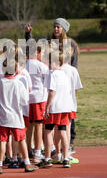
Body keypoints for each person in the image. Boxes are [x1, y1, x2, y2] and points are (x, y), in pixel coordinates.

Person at [25, 17, 79, 154]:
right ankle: (50, 148)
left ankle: (68, 144)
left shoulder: (71, 45)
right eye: (54, 26)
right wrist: (28, 35)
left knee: (66, 114)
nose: (55, 29)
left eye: (58, 27)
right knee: (50, 115)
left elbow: (74, 66)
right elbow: (34, 50)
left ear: (64, 29)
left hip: (64, 82)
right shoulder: (49, 43)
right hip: (51, 83)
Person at [0, 57, 37, 174]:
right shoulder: (19, 84)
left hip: (1, 117)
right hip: (15, 116)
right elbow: (24, 101)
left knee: (1, 141)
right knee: (21, 139)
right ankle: (27, 163)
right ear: (16, 70)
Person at [39, 48, 74, 169]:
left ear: (58, 62)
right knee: (63, 131)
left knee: (48, 131)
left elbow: (52, 92)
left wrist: (47, 107)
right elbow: (69, 91)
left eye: (51, 62)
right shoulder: (64, 74)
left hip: (55, 107)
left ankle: (47, 158)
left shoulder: (52, 74)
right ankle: (65, 158)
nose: (49, 64)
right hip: (64, 107)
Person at [25, 45, 49, 163]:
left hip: (26, 99)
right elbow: (47, 83)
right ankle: (37, 151)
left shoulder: (23, 65)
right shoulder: (41, 66)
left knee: (28, 125)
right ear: (37, 53)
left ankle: (28, 148)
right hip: (39, 99)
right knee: (38, 125)